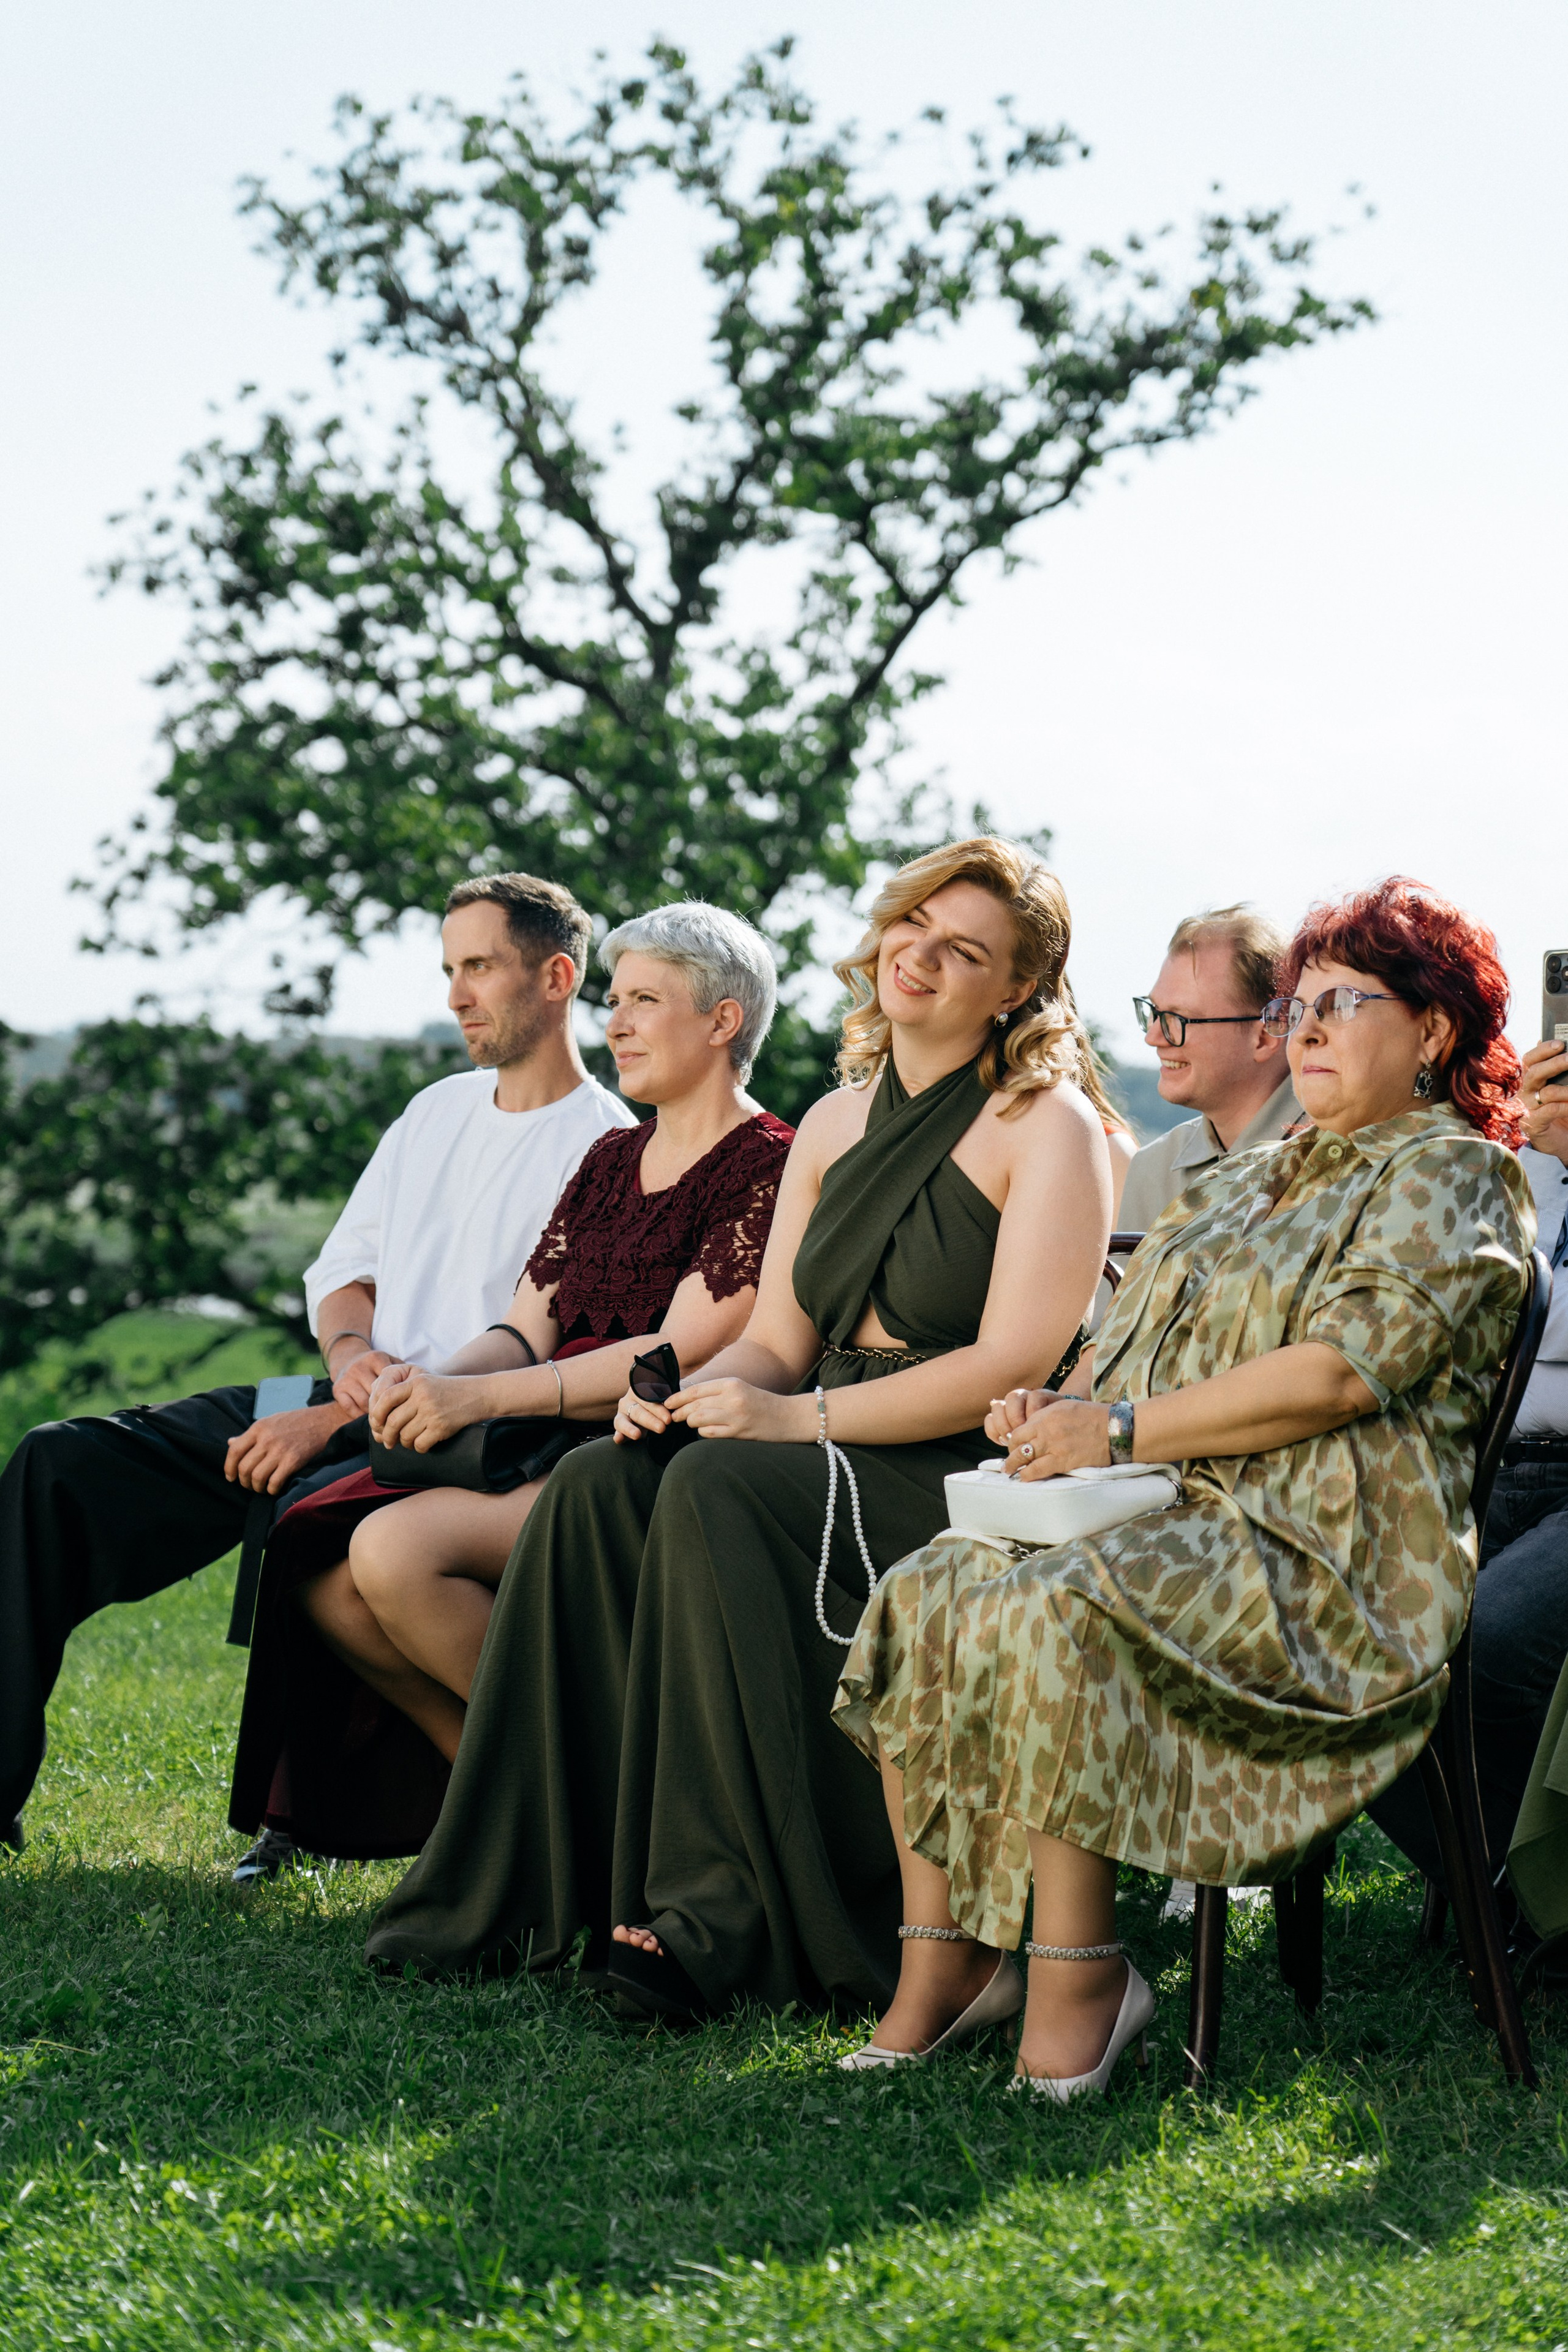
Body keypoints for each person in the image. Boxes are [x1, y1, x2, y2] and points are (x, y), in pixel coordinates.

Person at [363, 837, 1118, 2014]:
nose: (918, 956)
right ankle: (533, 1883)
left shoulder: (1046, 1125)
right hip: (819, 1423)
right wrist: (681, 1394)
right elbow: (775, 1332)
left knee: (717, 1489)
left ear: (1015, 989)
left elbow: (1009, 1363)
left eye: (963, 948)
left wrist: (790, 1417)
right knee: (600, 1485)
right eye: (911, 926)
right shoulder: (831, 1121)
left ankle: (721, 1910)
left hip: (953, 1466)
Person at [834, 877, 1530, 2097]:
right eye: (1296, 1004)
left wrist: (1114, 1426)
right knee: (928, 1588)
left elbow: (1334, 1377)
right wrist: (1055, 1410)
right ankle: (946, 1966)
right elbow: (1126, 1360)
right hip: (1182, 1519)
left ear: (1431, 1034)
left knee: (1058, 1605)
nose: (1301, 1027)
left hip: (1329, 1562)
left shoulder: (1452, 1175)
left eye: (1342, 1003)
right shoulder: (1240, 1179)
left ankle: (1082, 1980)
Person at [0, 870, 634, 1855]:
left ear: (556, 977)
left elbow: (535, 1359)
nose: (456, 994)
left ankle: (357, 1813)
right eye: (448, 970)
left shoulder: (606, 1150)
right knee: (57, 1465)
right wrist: (347, 1358)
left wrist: (346, 1414)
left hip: (459, 1439)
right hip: (345, 1392)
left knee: (302, 1514)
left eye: (480, 968)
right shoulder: (435, 1112)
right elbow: (344, 1274)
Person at [227, 903, 793, 1864]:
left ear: (723, 1021)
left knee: (394, 1555)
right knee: (320, 1574)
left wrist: (475, 1402)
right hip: (534, 1431)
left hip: (645, 1447)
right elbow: (522, 1327)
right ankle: (521, 1817)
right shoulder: (613, 1159)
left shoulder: (767, 1163)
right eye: (616, 998)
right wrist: (425, 1385)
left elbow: (676, 1351)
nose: (615, 1022)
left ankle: (577, 1817)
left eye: (645, 1000)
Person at [1369, 1030, 1568, 1893]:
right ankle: (1500, 1902)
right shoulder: (1511, 1160)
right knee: (1343, 1641)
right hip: (1477, 1465)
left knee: (1486, 1643)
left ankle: (1534, 1911)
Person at [1119, 906, 1301, 1232]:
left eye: (1178, 1019)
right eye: (1153, 1012)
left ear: (1264, 1036)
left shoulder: (1340, 1158)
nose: (1153, 1037)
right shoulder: (1152, 1170)